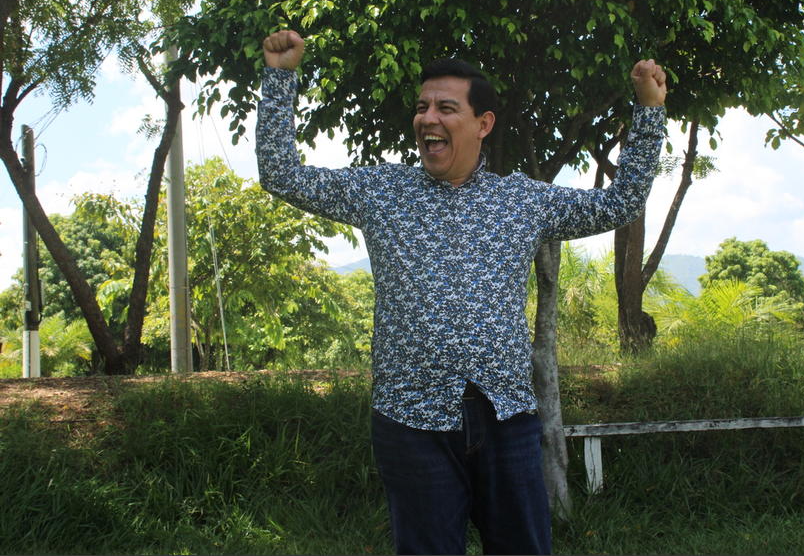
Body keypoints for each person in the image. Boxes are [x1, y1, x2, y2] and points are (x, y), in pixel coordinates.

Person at [256, 29, 667, 555]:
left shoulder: (521, 200)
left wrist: (649, 111)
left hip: (507, 418)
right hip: (411, 422)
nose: (428, 118)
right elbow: (282, 175)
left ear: (482, 124)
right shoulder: (381, 191)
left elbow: (620, 204)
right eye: (422, 107)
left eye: (446, 108)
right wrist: (279, 78)